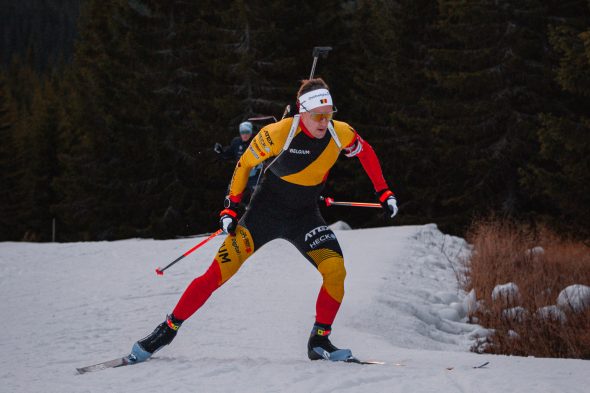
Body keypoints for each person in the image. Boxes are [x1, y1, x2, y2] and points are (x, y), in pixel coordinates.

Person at [130, 78, 399, 363]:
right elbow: (244, 164)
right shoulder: (278, 133)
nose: (324, 121)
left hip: (304, 218)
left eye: (329, 113)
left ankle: (319, 340)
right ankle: (166, 331)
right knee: (215, 276)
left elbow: (366, 151)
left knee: (335, 271)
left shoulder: (339, 133)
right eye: (317, 115)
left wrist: (383, 191)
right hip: (262, 217)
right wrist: (230, 209)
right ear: (301, 112)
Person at [214, 121, 262, 198]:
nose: (245, 135)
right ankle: (231, 208)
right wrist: (220, 151)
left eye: (247, 132)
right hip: (240, 174)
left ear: (251, 132)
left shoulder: (256, 142)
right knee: (230, 195)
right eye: (243, 132)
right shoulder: (236, 142)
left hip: (255, 175)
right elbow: (228, 154)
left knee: (257, 197)